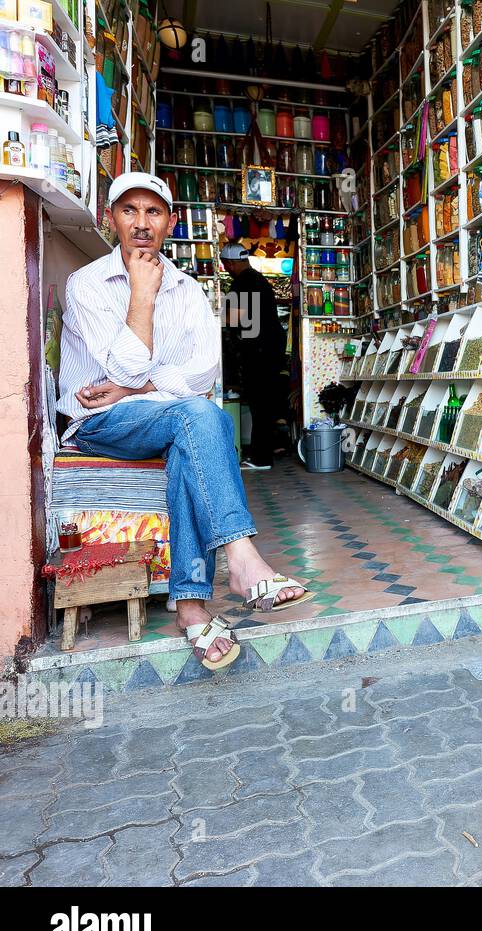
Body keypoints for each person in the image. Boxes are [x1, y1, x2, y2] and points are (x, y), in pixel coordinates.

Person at [56, 172, 311, 672]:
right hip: (99, 421)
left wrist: (140, 387)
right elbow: (120, 371)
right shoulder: (85, 285)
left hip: (164, 416)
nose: (142, 224)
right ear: (112, 219)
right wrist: (143, 295)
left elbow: (202, 373)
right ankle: (240, 558)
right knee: (197, 416)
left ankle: (192, 606)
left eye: (153, 213)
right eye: (129, 211)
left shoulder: (191, 291)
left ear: (171, 223)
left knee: (194, 423)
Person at [219, 242, 287, 470]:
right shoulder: (257, 280)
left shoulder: (244, 282)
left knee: (260, 403)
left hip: (260, 350)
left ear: (229, 263)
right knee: (263, 403)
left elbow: (236, 318)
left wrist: (212, 318)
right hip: (268, 348)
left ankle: (261, 458)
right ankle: (263, 454)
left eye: (226, 264)